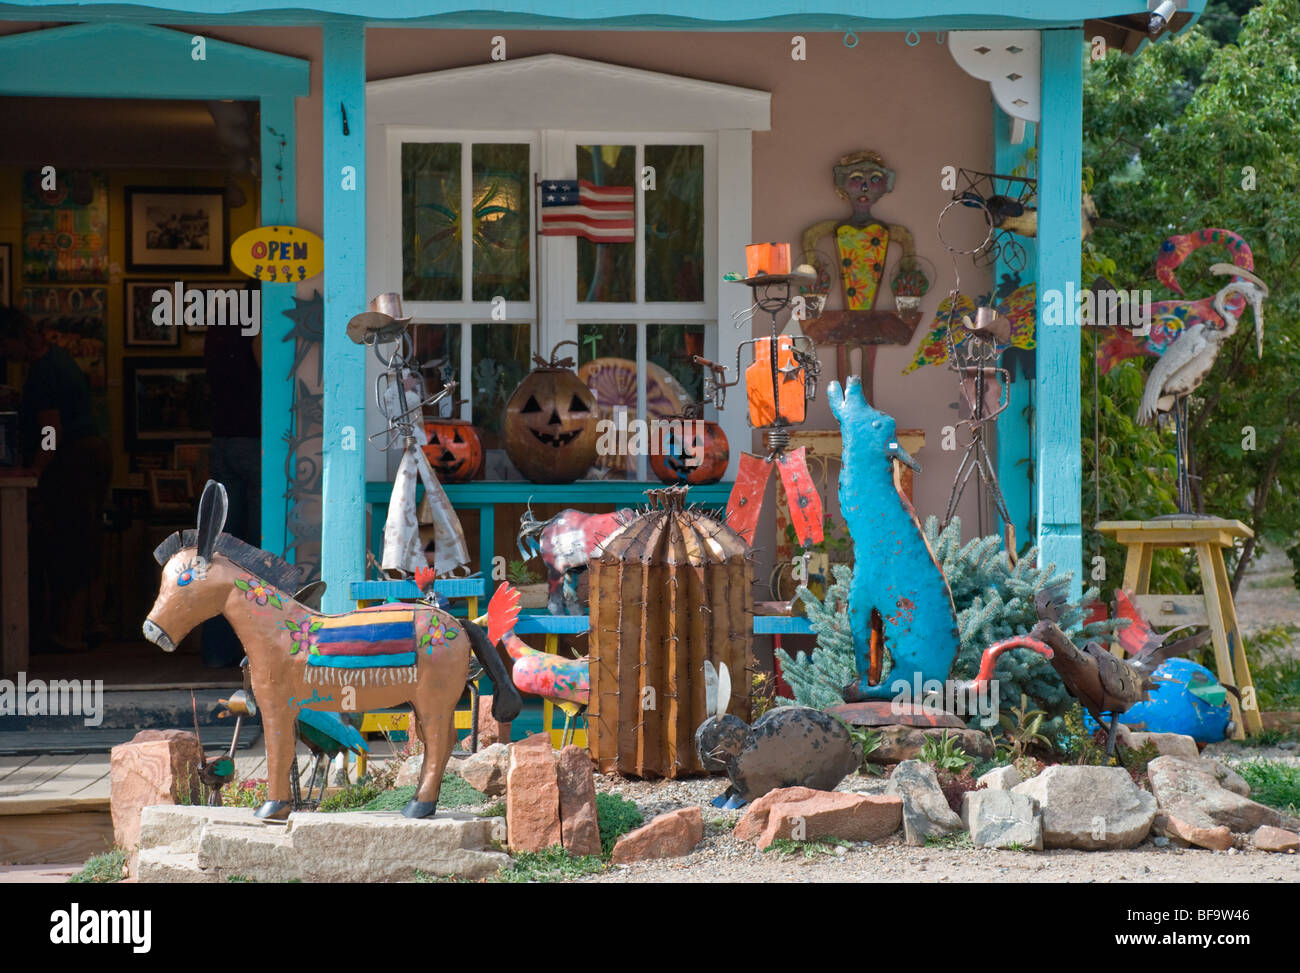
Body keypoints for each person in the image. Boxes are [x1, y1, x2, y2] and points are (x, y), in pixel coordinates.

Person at [0, 307, 111, 652]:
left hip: (72, 460)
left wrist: (37, 466)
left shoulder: (43, 372)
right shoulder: (58, 359)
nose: (5, 355)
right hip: (93, 453)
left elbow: (51, 429)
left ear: (15, 339)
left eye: (4, 346)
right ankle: (93, 623)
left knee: (70, 542)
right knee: (87, 537)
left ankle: (71, 633)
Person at [200, 315, 261, 667]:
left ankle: (217, 650)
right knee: (254, 552)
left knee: (219, 549)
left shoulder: (221, 325)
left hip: (223, 437)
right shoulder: (265, 310)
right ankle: (252, 649)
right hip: (256, 438)